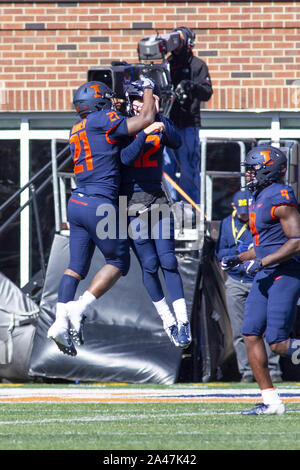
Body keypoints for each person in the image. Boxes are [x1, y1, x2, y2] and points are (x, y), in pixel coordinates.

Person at [47, 77, 156, 356]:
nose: (113, 102)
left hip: (77, 201)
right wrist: (147, 87)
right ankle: (78, 308)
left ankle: (59, 321)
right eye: (107, 99)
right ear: (98, 103)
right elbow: (145, 118)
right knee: (119, 261)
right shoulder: (101, 118)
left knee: (75, 267)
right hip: (99, 203)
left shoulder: (77, 126)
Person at [221, 145, 300, 415]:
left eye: (254, 169)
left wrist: (263, 262)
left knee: (278, 342)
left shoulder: (280, 196)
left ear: (268, 169)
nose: (250, 174)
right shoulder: (260, 196)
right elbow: (265, 244)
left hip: (285, 272)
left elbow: (297, 241)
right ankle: (271, 401)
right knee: (250, 333)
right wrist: (240, 257)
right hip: (266, 273)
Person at [118, 81, 191, 348]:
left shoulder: (156, 120)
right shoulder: (120, 124)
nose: (140, 104)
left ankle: (183, 321)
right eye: (136, 99)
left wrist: (158, 116)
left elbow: (177, 140)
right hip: (131, 205)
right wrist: (143, 131)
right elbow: (124, 158)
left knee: (168, 260)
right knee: (149, 265)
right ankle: (167, 320)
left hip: (157, 199)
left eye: (144, 99)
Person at [216, 189, 282, 383]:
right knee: (240, 330)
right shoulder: (227, 224)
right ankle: (246, 371)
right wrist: (238, 252)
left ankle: (273, 369)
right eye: (242, 213)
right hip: (236, 281)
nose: (245, 216)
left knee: (266, 327)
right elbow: (220, 252)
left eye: (248, 211)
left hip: (258, 279)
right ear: (234, 207)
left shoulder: (261, 221)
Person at [163, 26, 213, 205]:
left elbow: (207, 92)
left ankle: (189, 206)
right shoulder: (166, 65)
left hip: (188, 124)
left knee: (189, 169)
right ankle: (170, 205)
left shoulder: (197, 65)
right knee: (165, 168)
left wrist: (191, 86)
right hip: (168, 123)